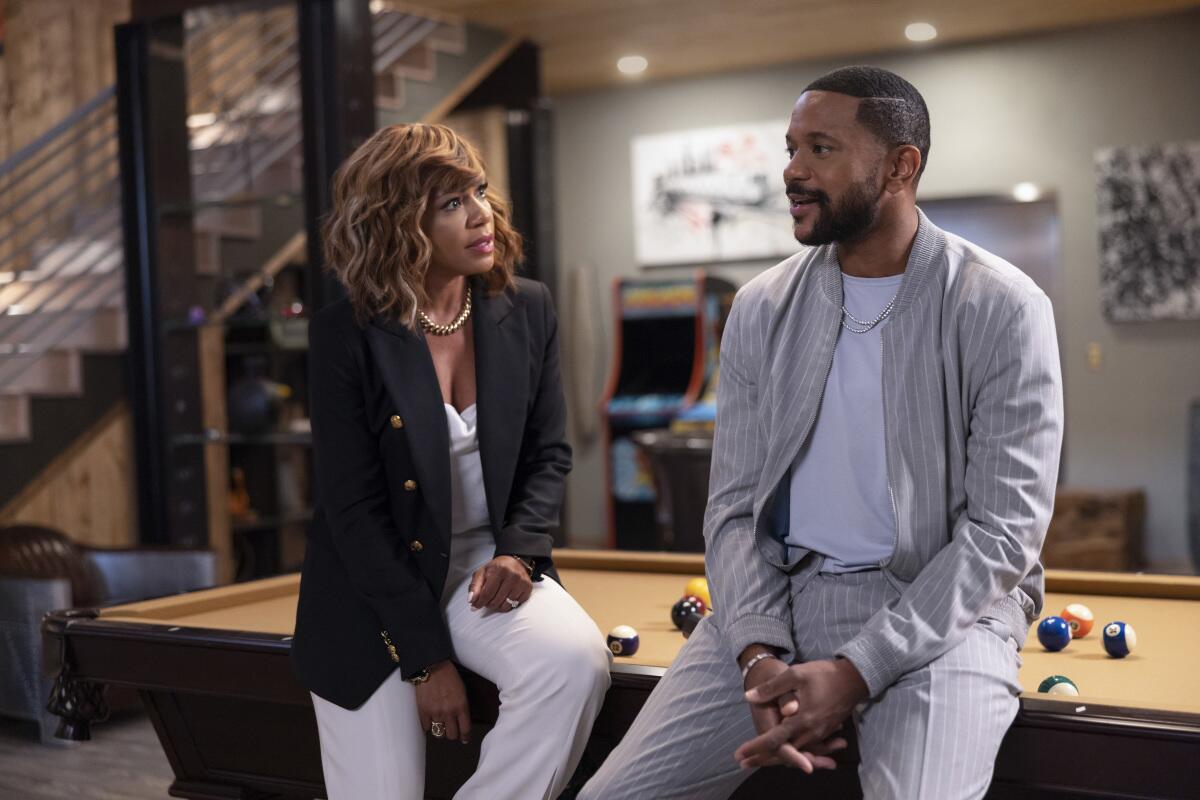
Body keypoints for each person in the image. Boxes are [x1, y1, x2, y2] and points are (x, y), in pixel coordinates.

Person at [580, 65, 1064, 800]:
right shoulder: (761, 308)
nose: (791, 172)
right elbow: (735, 509)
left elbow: (1002, 534)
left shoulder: (1002, 306)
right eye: (790, 147)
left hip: (943, 616)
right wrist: (755, 652)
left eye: (821, 150)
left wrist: (857, 669)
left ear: (902, 166)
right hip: (779, 604)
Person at [291, 123, 611, 800]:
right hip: (370, 595)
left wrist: (520, 553)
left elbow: (547, 455)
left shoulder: (526, 307)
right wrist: (426, 659)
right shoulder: (344, 334)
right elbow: (353, 510)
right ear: (397, 221)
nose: (480, 215)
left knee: (576, 660)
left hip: (485, 574)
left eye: (481, 191)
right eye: (450, 203)